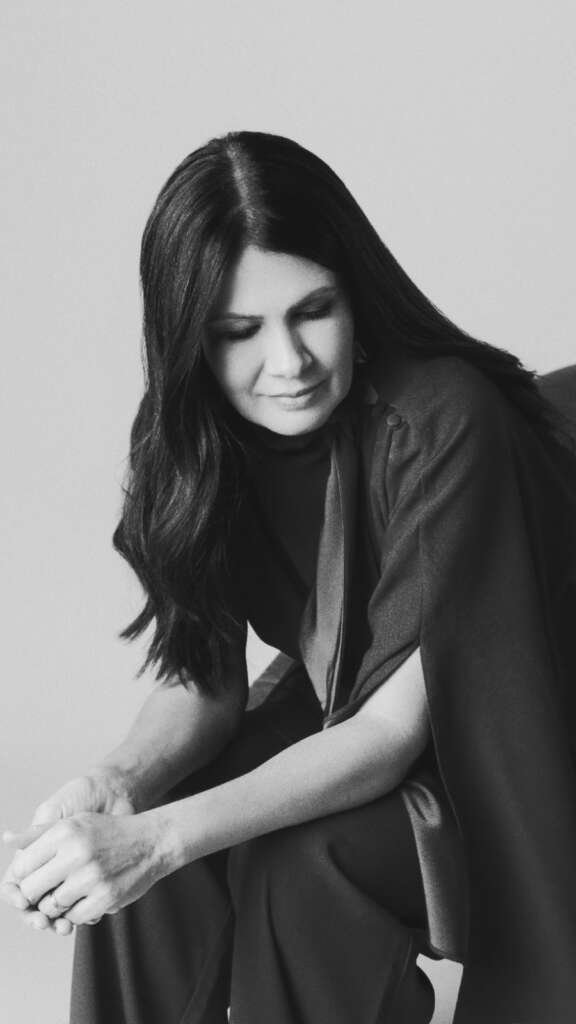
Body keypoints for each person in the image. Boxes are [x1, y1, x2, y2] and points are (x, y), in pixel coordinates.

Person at [2, 131, 576, 1024]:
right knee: (146, 845)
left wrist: (156, 842)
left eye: (313, 311)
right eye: (239, 333)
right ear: (190, 339)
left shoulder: (440, 418)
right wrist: (123, 788)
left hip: (503, 730)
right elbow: (203, 680)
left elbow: (391, 732)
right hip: (352, 713)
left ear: (357, 295)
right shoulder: (192, 441)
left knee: (286, 862)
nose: (289, 363)